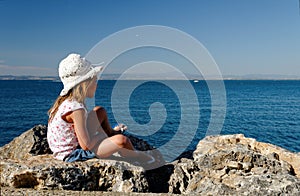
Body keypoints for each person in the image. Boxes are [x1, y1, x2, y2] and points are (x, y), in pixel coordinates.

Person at [47, 53, 155, 165]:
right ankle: (137, 156)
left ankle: (112, 132)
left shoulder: (68, 102)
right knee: (122, 141)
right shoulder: (76, 109)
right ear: (84, 84)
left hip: (76, 143)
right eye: (94, 82)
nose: (96, 85)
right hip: (73, 154)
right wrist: (103, 135)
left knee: (100, 111)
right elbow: (85, 146)